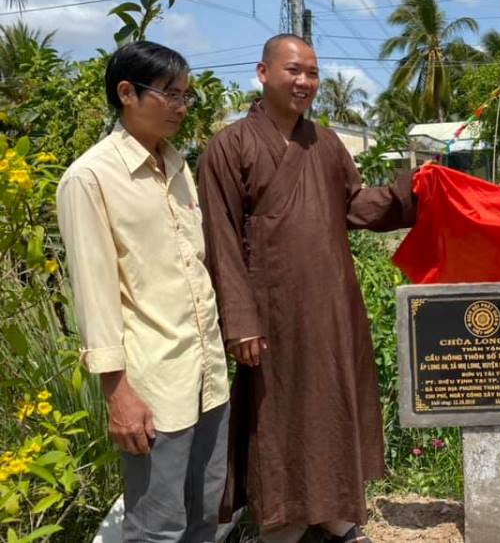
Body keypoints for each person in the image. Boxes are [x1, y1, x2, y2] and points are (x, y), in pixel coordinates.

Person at [198, 34, 417, 543]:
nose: (304, 83)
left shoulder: (326, 142)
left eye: (313, 74)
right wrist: (241, 321)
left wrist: (413, 192)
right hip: (270, 310)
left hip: (331, 300)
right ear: (263, 73)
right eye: (294, 71)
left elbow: (356, 205)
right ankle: (285, 518)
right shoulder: (229, 146)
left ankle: (334, 510)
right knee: (278, 413)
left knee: (330, 403)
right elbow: (221, 238)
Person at [57, 41, 230, 541]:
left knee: (206, 516)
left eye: (186, 96)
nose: (181, 107)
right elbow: (95, 297)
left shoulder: (178, 168)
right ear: (127, 93)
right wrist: (119, 396)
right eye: (170, 95)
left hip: (208, 376)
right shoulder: (90, 178)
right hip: (154, 388)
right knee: (156, 528)